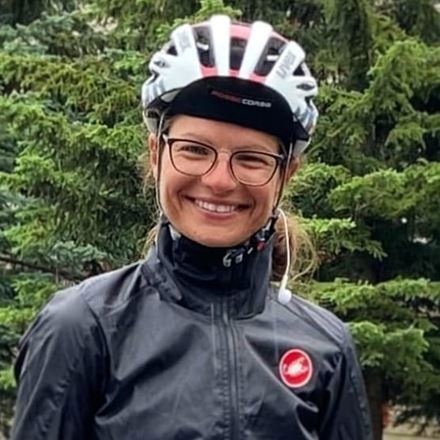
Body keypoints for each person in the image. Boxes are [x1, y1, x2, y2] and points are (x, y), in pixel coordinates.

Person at [11, 14, 373, 440]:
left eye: (252, 158)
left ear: (286, 174)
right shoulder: (81, 328)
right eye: (194, 150)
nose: (219, 181)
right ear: (156, 154)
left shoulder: (327, 347)